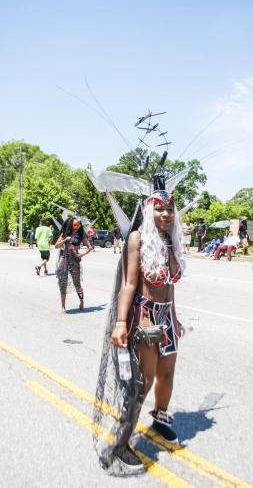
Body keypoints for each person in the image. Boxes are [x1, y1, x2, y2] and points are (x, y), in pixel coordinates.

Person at [93, 176, 185, 474]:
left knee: (167, 375)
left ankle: (160, 420)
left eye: (170, 209)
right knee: (141, 384)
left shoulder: (172, 240)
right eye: (159, 209)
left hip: (167, 318)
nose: (165, 214)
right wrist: (121, 322)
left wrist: (176, 316)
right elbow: (129, 284)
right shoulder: (137, 239)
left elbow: (169, 286)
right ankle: (120, 442)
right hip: (146, 320)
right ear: (149, 211)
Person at [55, 215, 92, 313]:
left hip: (75, 259)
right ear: (71, 224)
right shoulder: (65, 233)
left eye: (79, 225)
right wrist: (64, 240)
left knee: (77, 283)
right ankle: (63, 307)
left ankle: (81, 302)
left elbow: (90, 247)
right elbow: (56, 246)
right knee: (63, 283)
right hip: (64, 258)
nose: (77, 226)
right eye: (75, 225)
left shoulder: (81, 234)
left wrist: (81, 255)